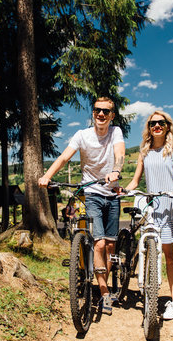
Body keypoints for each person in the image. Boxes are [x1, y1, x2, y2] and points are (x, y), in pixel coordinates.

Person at [38, 97, 125, 315]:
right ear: (93, 113)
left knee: (111, 247)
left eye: (106, 111)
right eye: (97, 110)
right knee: (99, 243)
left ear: (112, 115)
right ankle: (104, 293)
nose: (101, 114)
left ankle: (104, 278)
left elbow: (120, 154)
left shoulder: (116, 132)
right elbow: (64, 157)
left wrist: (116, 171)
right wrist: (47, 175)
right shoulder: (82, 135)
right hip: (92, 192)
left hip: (112, 194)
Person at [124, 110, 173, 321]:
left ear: (167, 126)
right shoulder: (144, 153)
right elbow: (136, 180)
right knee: (167, 258)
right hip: (155, 207)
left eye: (161, 123)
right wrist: (124, 190)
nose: (156, 126)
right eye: (152, 123)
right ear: (148, 128)